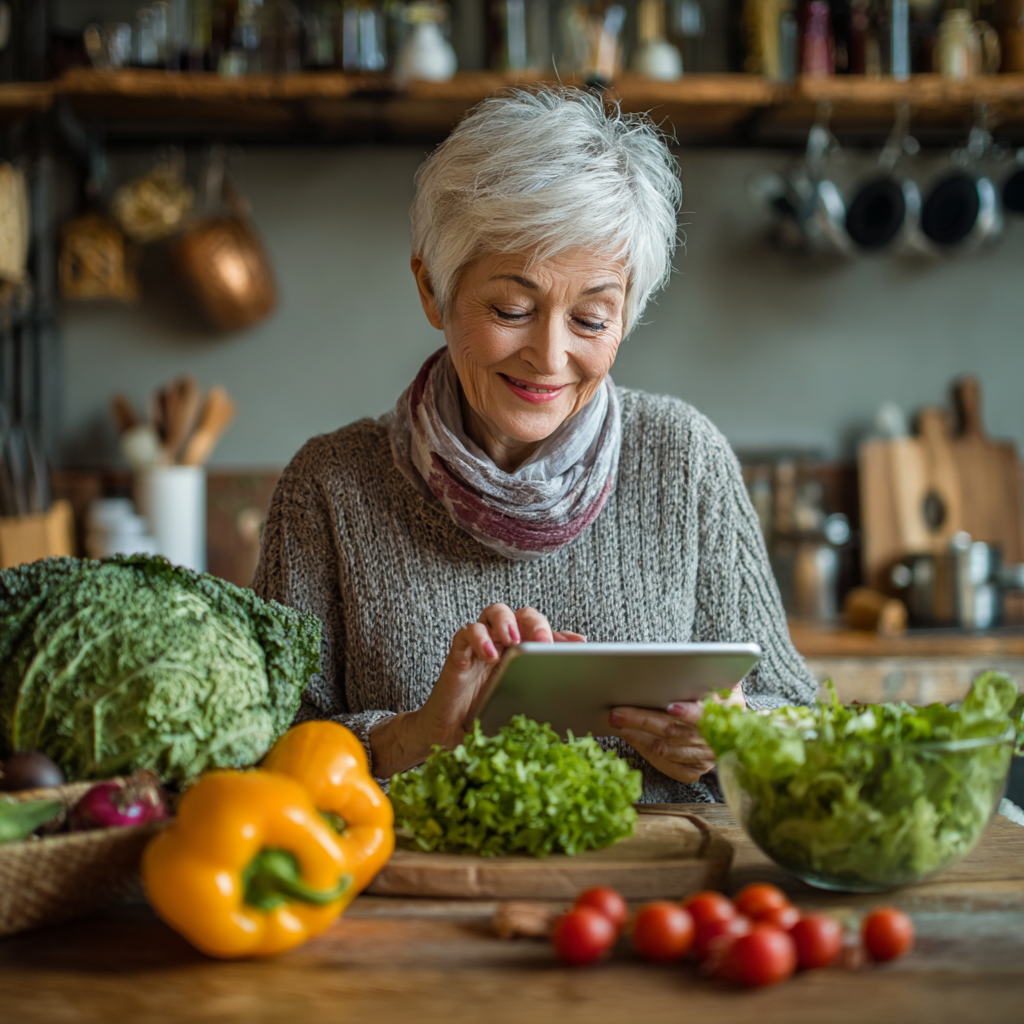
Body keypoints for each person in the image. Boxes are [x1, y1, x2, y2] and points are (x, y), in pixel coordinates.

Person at [253, 87, 817, 803]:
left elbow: (802, 714)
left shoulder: (685, 457)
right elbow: (264, 751)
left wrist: (734, 740)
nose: (550, 356)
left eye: (590, 319)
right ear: (433, 289)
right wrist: (411, 737)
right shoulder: (331, 486)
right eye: (512, 309)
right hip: (424, 901)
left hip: (660, 896)